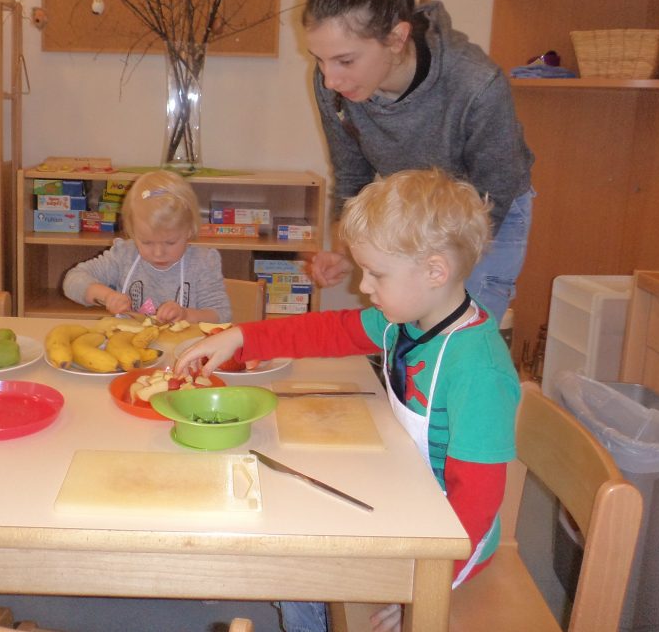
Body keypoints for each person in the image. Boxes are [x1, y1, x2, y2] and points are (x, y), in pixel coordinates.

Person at [175, 169, 520, 632]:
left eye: (377, 274)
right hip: (409, 491)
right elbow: (330, 331)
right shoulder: (405, 323)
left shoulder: (478, 371)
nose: (364, 287)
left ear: (435, 271)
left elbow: (476, 503)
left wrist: (427, 588)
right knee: (301, 522)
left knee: (303, 556)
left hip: (448, 542)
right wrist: (241, 337)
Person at [303, 0, 535, 322]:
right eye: (320, 60)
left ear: (397, 39)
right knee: (412, 329)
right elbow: (351, 176)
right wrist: (348, 249)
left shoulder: (476, 84)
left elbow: (494, 192)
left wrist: (423, 266)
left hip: (488, 209)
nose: (330, 79)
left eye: (345, 60)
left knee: (459, 331)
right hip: (417, 209)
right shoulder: (334, 86)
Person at [62, 170, 231, 323]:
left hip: (186, 346)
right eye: (147, 242)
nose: (158, 253)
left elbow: (222, 315)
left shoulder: (203, 262)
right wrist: (107, 296)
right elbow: (73, 280)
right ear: (133, 232)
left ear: (189, 230)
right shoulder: (124, 255)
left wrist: (186, 315)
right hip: (129, 344)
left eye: (170, 242)